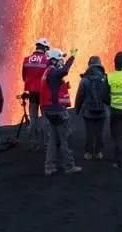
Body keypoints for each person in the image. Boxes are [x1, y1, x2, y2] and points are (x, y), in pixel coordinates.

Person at [39, 48, 82, 176]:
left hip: (49, 110)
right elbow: (64, 71)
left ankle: (49, 167)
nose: (61, 62)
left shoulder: (47, 72)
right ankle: (69, 166)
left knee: (53, 139)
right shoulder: (53, 72)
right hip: (57, 110)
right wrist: (72, 57)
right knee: (65, 138)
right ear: (53, 60)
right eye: (59, 59)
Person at [74, 55, 108, 160]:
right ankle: (98, 153)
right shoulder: (105, 78)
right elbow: (108, 94)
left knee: (89, 132)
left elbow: (80, 96)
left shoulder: (84, 80)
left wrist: (77, 109)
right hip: (102, 110)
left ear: (89, 65)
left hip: (88, 111)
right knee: (99, 132)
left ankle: (88, 153)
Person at [22, 37, 51, 150]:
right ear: (44, 48)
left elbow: (24, 76)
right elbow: (49, 76)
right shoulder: (47, 60)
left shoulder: (26, 59)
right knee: (45, 117)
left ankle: (33, 142)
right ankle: (46, 143)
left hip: (32, 92)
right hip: (44, 92)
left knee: (33, 118)